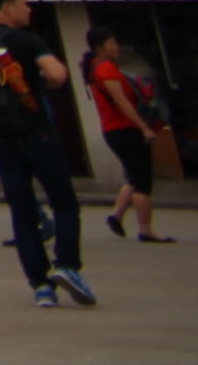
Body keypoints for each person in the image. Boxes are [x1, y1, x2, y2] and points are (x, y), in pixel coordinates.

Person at [0, 0, 93, 308]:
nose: (28, 9)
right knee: (64, 202)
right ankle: (67, 266)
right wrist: (32, 85)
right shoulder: (27, 41)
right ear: (6, 8)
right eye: (24, 3)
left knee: (22, 210)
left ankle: (40, 286)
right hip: (34, 131)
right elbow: (58, 75)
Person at [82, 30, 172, 246]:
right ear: (99, 47)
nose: (116, 47)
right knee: (142, 182)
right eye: (111, 43)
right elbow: (122, 102)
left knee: (133, 176)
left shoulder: (96, 67)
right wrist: (144, 127)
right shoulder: (105, 68)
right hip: (125, 129)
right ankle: (146, 229)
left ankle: (116, 216)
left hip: (114, 130)